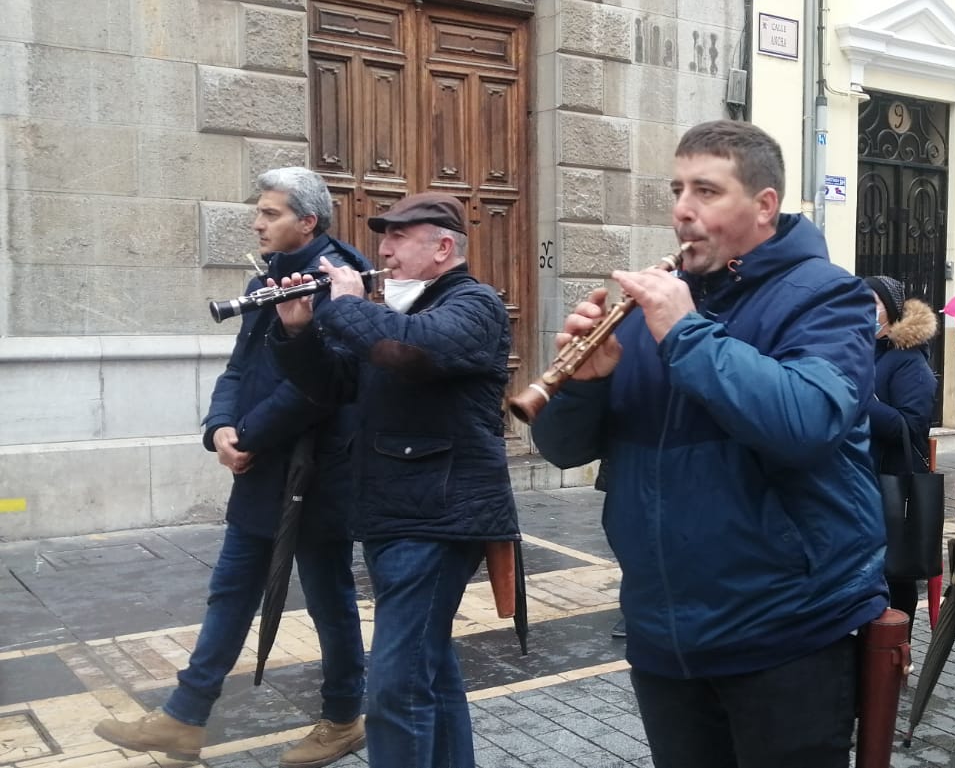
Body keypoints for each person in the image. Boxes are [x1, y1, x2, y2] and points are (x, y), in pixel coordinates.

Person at [529, 120, 888, 768]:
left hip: (787, 631)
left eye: (706, 190)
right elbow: (561, 449)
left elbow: (806, 420)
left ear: (764, 205)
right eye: (676, 189)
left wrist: (687, 333)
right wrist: (583, 384)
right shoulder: (658, 310)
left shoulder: (826, 296)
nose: (682, 210)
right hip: (665, 634)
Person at [93, 168, 368, 766]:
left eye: (270, 213)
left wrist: (249, 436)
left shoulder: (342, 280)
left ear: (308, 222)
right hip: (260, 463)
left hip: (316, 472)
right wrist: (218, 429)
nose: (257, 223)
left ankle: (345, 716)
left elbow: (321, 388)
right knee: (231, 591)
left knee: (328, 596)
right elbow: (239, 368)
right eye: (260, 213)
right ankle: (184, 718)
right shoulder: (264, 279)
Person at [269, 192, 520, 768]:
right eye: (383, 238)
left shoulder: (473, 303)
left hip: (438, 518)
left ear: (443, 247)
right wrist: (298, 330)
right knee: (428, 669)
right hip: (397, 515)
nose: (383, 250)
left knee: (394, 687)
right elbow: (333, 388)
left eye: (400, 238)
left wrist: (343, 305)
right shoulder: (394, 312)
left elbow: (411, 351)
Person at [863, 275, 938, 622]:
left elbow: (910, 426)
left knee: (895, 576)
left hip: (893, 486)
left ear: (890, 311)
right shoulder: (860, 351)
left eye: (872, 302)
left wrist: (860, 400)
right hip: (862, 483)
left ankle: (894, 654)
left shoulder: (910, 361)